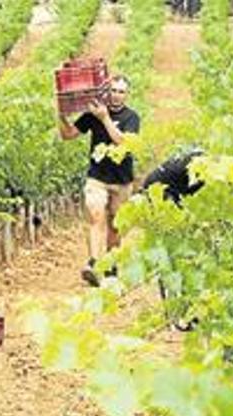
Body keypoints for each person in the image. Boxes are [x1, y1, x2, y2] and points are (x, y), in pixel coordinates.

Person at [59, 75, 141, 287]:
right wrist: (61, 114)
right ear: (107, 91)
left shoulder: (132, 118)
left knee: (115, 226)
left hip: (122, 181)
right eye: (113, 90)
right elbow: (68, 135)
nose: (117, 95)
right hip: (97, 177)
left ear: (127, 95)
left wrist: (104, 119)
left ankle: (111, 268)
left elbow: (123, 142)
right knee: (96, 216)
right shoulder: (92, 114)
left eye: (121, 91)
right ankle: (94, 264)